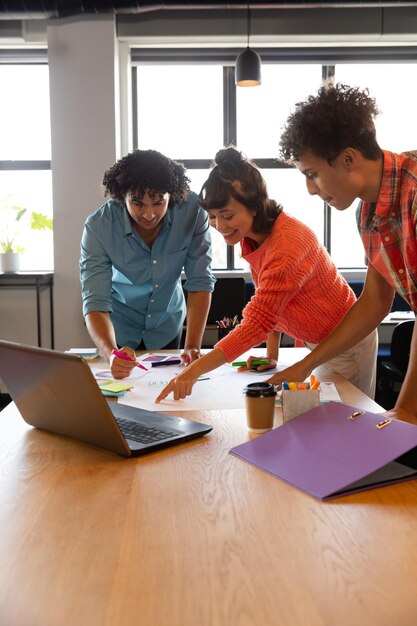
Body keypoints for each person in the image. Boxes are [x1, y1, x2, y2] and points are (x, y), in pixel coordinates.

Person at [155, 146, 377, 404]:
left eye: (227, 215)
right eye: (213, 217)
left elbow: (258, 321)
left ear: (254, 207)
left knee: (343, 423)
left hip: (345, 345)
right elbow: (271, 303)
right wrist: (272, 356)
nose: (219, 226)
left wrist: (193, 372)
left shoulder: (288, 244)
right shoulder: (254, 238)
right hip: (315, 343)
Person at [272, 82, 417, 423]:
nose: (309, 189)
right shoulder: (367, 214)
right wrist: (307, 364)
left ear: (348, 159)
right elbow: (374, 302)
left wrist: (408, 407)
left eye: (313, 174)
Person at [80, 149, 215, 379]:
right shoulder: (98, 227)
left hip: (167, 324)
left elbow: (200, 281)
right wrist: (111, 354)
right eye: (138, 203)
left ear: (171, 195)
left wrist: (192, 345)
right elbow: (95, 301)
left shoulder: (193, 212)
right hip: (119, 328)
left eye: (158, 202)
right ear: (122, 196)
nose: (149, 214)